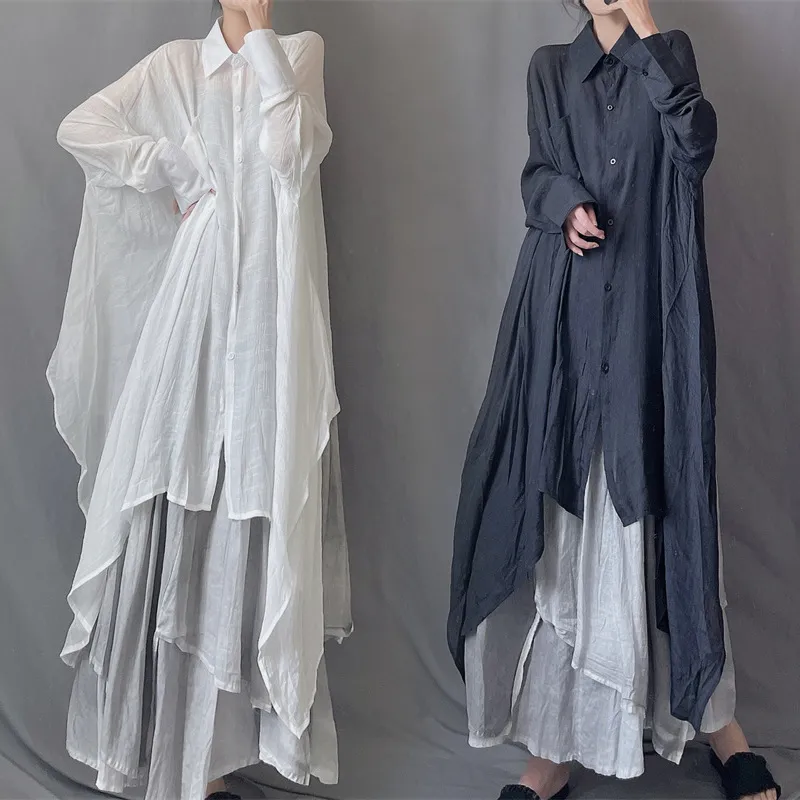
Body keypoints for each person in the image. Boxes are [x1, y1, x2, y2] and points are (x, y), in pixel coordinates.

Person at [447, 2, 781, 799]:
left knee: (665, 513)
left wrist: (645, 25)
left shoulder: (669, 56)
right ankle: (554, 750)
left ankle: (719, 726)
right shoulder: (549, 69)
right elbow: (537, 172)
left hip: (649, 320)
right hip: (564, 319)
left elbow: (695, 146)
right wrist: (565, 205)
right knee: (567, 520)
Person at [48, 2, 351, 799]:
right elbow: (81, 126)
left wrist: (262, 43)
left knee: (246, 514)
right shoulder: (177, 65)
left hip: (268, 324)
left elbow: (293, 157)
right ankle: (164, 762)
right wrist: (171, 168)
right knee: (173, 504)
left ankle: (208, 770)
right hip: (195, 312)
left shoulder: (299, 52)